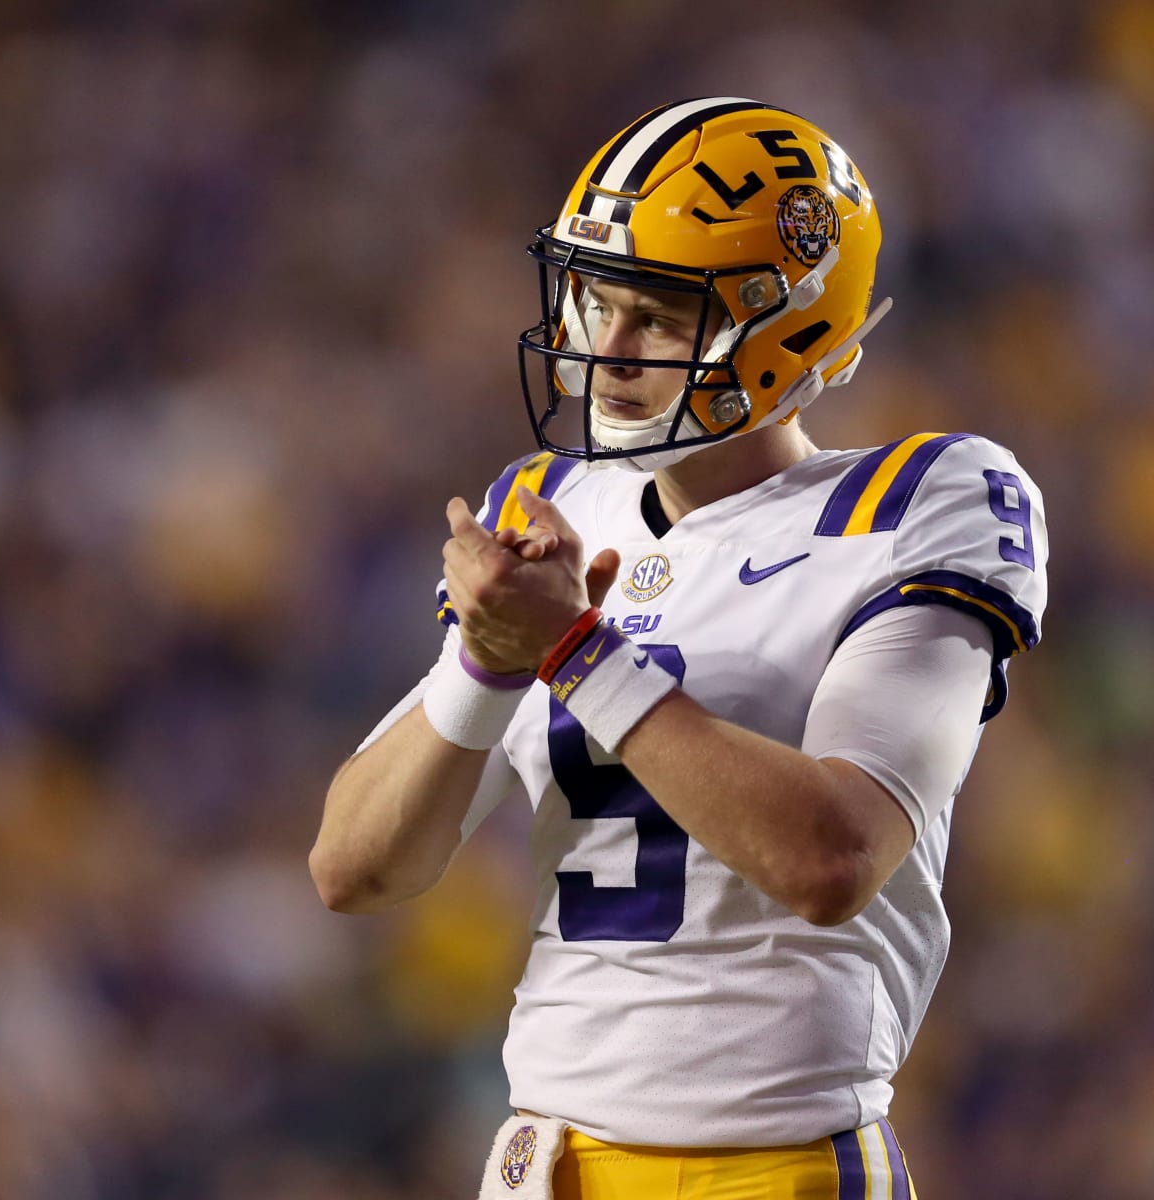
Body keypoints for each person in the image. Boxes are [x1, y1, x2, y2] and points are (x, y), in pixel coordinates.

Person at [310, 98, 1048, 1199]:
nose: (608, 350)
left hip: (773, 1165)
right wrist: (487, 662)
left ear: (788, 327)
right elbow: (356, 869)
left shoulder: (914, 502)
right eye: (596, 300)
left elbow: (832, 857)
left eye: (658, 315)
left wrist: (573, 649)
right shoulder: (553, 506)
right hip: (539, 1158)